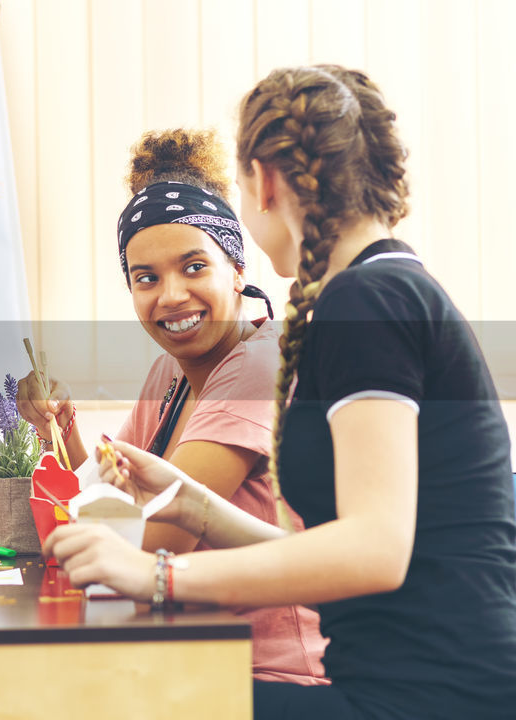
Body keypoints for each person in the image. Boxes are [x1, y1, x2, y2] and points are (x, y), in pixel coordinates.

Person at [44, 66, 516, 718]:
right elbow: (348, 552)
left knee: (101, 696)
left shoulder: (366, 302)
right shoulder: (375, 290)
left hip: (423, 696)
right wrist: (194, 507)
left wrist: (158, 574)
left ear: (263, 182)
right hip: (413, 684)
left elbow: (374, 553)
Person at [18, 129, 326, 685]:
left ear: (237, 269)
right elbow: (110, 498)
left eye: (193, 267)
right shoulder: (173, 374)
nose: (170, 296)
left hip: (268, 671)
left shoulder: (257, 367)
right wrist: (59, 430)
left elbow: (156, 539)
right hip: (188, 651)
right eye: (146, 278)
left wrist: (88, 518)